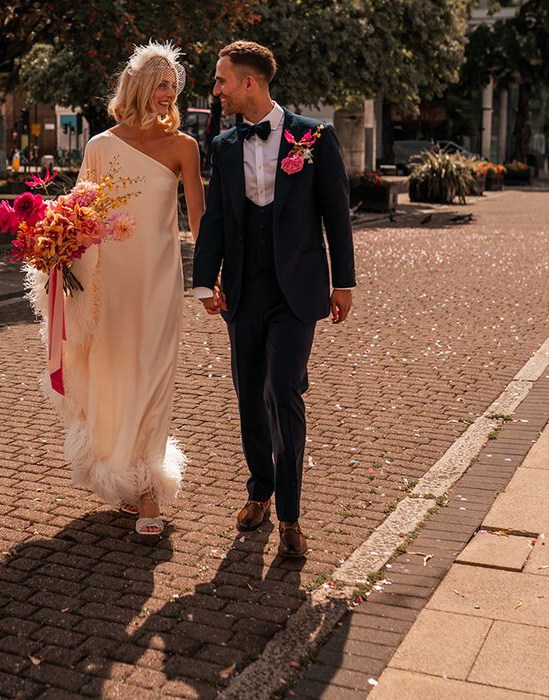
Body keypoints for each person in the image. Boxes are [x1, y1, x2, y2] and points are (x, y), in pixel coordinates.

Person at [26, 41, 204, 538]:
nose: (169, 93)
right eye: (161, 83)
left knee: (154, 376)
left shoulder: (184, 148)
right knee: (115, 375)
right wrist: (53, 244)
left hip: (160, 282)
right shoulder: (99, 147)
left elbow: (199, 219)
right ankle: (124, 473)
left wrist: (212, 277)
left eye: (174, 85)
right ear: (139, 87)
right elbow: (78, 217)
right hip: (110, 285)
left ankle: (150, 493)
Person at [193, 41, 356, 558]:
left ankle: (290, 516)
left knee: (282, 391)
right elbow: (216, 220)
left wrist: (343, 282)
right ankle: (258, 489)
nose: (215, 89)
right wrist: (204, 280)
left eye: (221, 81)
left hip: (298, 289)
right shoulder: (221, 146)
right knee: (248, 395)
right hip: (244, 288)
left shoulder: (313, 136)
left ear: (249, 83)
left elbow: (337, 213)